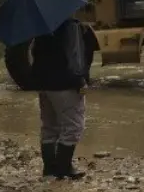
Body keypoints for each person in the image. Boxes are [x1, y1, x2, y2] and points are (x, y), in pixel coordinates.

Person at [31, 17, 98, 180]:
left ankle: (49, 170)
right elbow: (76, 57)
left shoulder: (40, 26)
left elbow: (34, 53)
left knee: (49, 127)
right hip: (65, 84)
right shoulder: (71, 26)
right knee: (74, 126)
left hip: (44, 84)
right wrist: (81, 80)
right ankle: (63, 168)